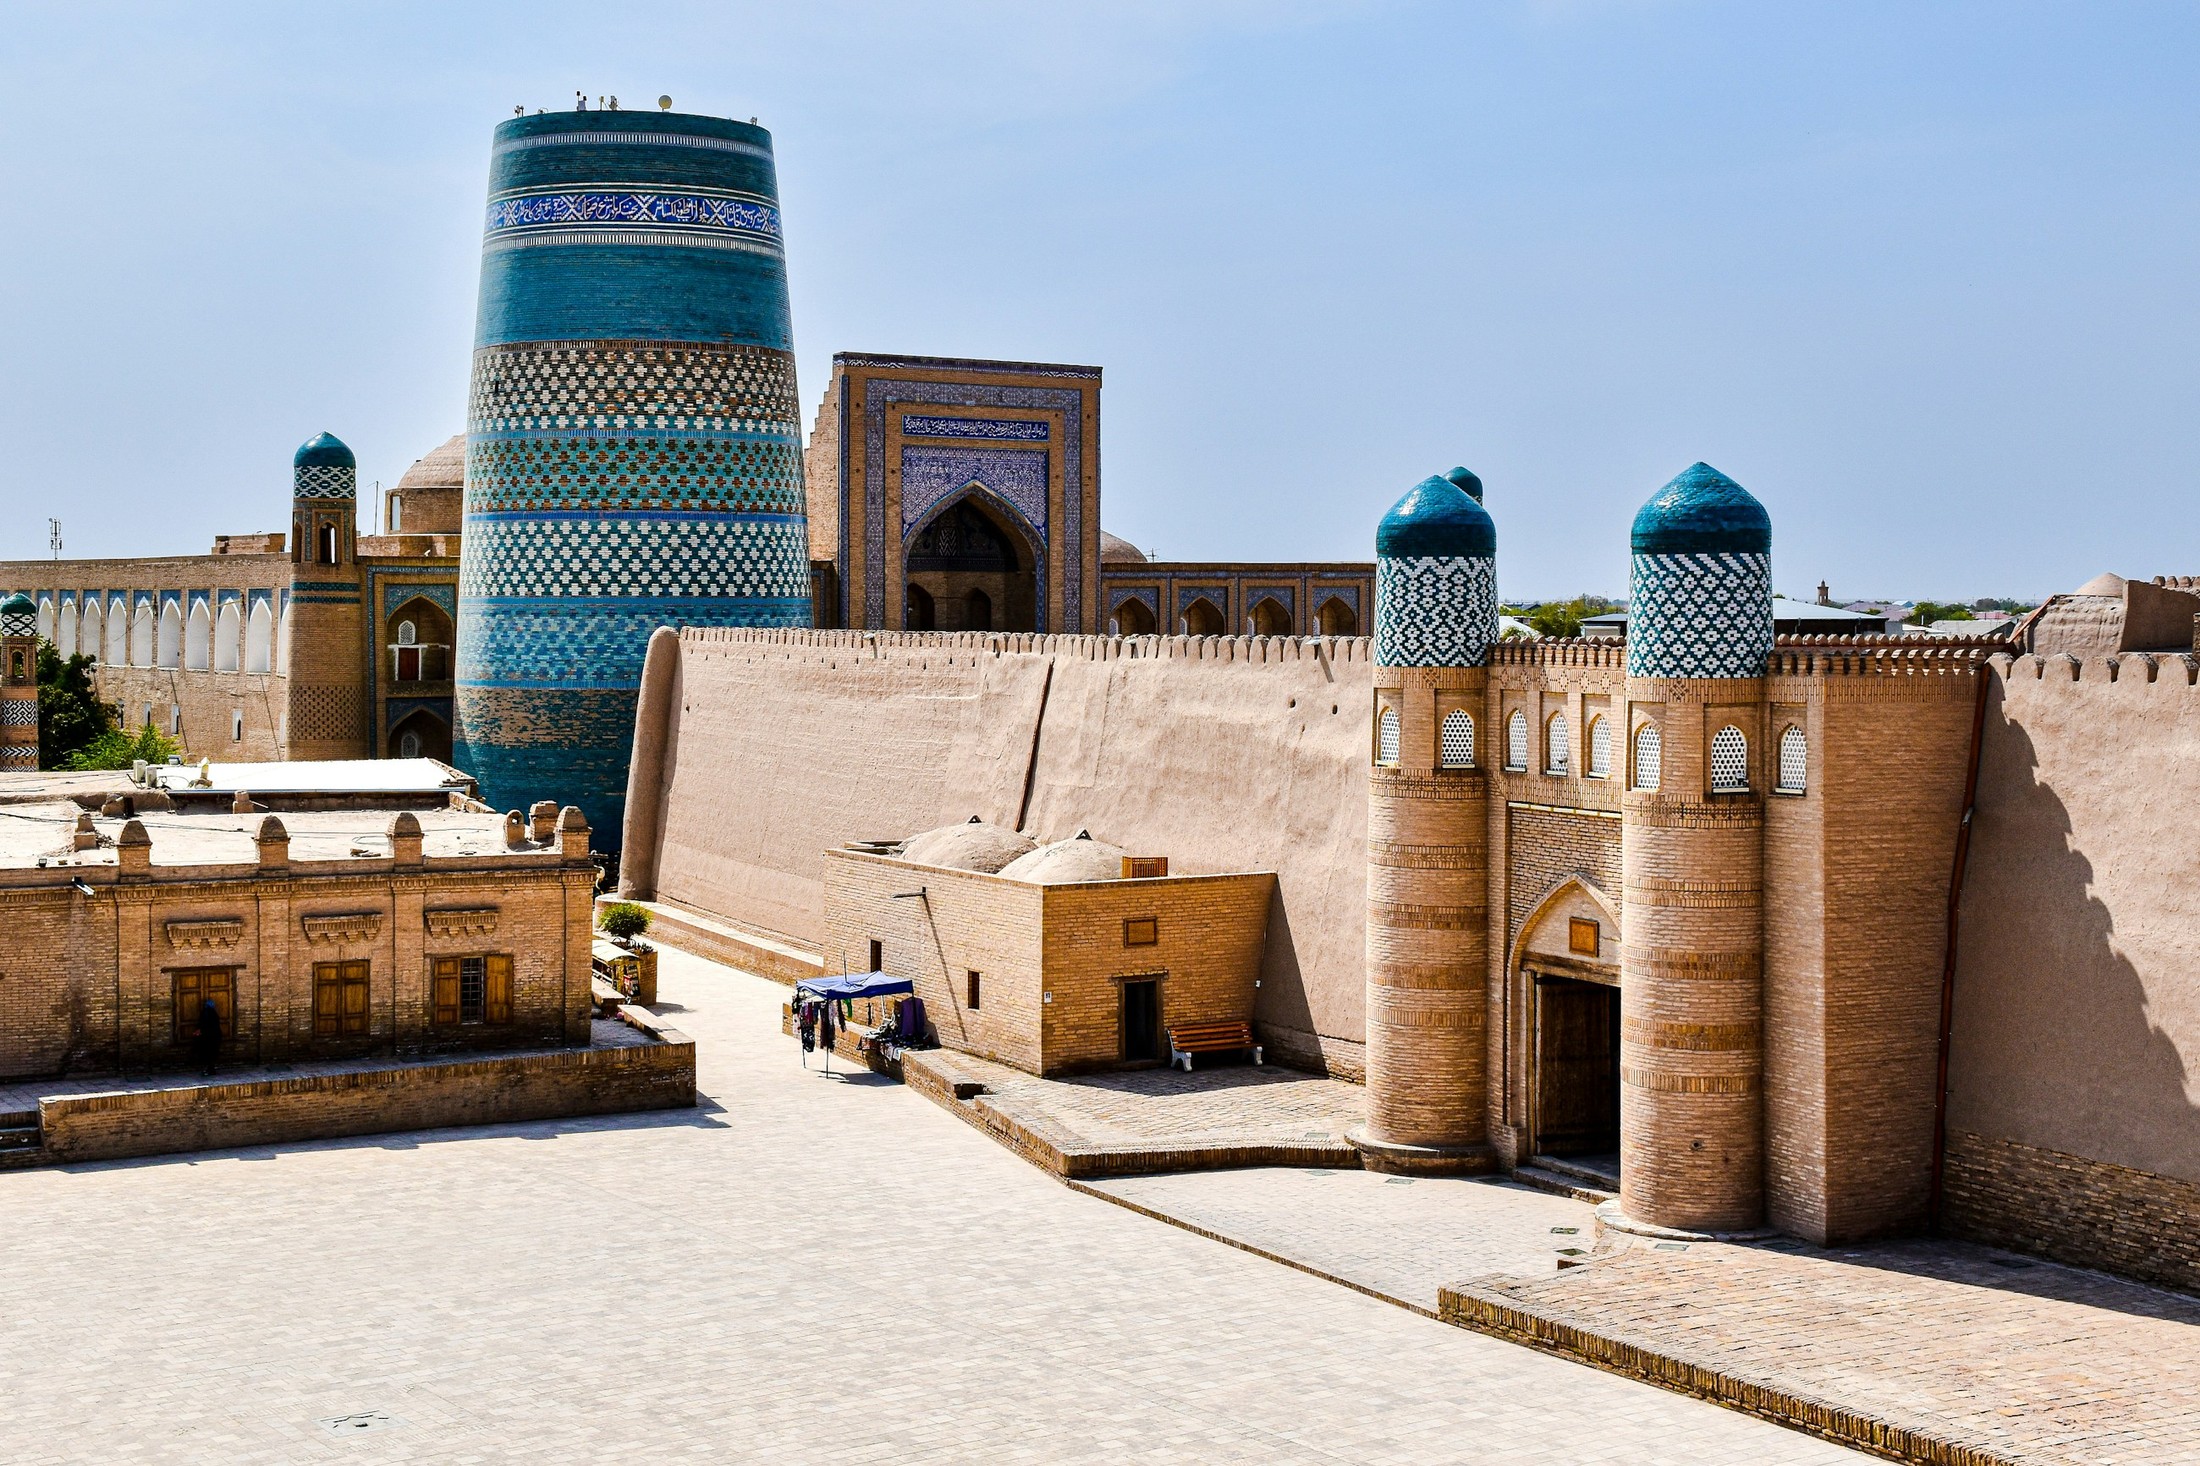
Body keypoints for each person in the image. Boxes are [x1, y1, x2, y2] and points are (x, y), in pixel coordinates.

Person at [196, 996, 222, 1077]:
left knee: (208, 1054)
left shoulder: (206, 1013)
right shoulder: (213, 1013)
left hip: (208, 1038)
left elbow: (204, 1024)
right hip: (215, 1037)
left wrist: (200, 1031)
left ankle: (209, 1070)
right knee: (212, 1054)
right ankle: (211, 1069)